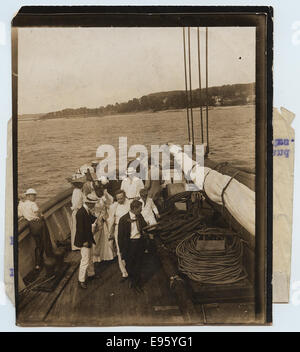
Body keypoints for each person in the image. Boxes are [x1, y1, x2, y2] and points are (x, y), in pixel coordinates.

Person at [118, 200, 148, 292]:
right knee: (129, 265)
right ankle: (132, 279)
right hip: (129, 245)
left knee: (138, 264)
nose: (141, 210)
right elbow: (120, 236)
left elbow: (144, 225)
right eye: (139, 209)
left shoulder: (139, 216)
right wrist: (122, 250)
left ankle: (136, 283)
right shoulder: (123, 219)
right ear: (134, 208)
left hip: (139, 243)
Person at [74, 193, 100, 289]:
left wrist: (96, 217)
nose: (94, 205)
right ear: (89, 203)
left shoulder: (86, 210)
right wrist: (84, 242)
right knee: (85, 260)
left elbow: (90, 219)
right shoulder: (81, 213)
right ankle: (81, 280)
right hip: (84, 241)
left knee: (90, 258)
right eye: (93, 203)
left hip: (88, 238)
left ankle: (91, 274)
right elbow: (80, 229)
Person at [18, 188, 44, 270]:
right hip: (37, 224)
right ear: (28, 196)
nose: (35, 197)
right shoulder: (33, 204)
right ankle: (39, 262)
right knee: (41, 244)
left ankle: (37, 264)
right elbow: (37, 213)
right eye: (33, 195)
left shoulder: (22, 205)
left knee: (36, 244)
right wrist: (40, 216)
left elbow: (20, 214)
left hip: (31, 226)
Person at [107, 189, 130, 281]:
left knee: (130, 248)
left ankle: (131, 269)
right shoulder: (114, 207)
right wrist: (110, 233)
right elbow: (111, 220)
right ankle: (124, 272)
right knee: (120, 250)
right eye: (118, 199)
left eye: (122, 198)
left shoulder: (129, 204)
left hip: (129, 229)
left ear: (125, 196)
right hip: (118, 229)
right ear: (116, 199)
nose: (120, 200)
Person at [93, 188, 116, 263]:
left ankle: (107, 255)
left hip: (103, 218)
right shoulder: (93, 198)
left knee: (105, 237)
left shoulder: (104, 198)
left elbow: (109, 204)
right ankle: (97, 256)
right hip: (97, 219)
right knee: (97, 238)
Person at [70, 175, 85, 251]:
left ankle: (77, 244)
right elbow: (76, 204)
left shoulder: (77, 191)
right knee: (77, 228)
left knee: (77, 228)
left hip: (78, 211)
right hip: (78, 211)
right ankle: (77, 245)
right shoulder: (77, 192)